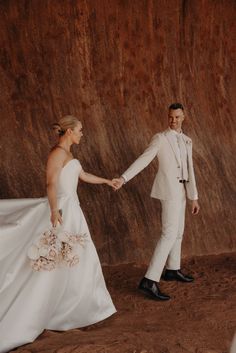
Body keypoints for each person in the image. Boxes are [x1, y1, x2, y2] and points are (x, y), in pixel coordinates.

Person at [0, 115, 116, 353]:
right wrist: (54, 211)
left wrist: (107, 181)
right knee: (55, 262)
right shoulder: (56, 153)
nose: (82, 134)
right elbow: (51, 184)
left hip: (73, 210)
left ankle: (78, 309)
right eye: (80, 130)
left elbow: (82, 176)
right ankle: (47, 312)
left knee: (79, 259)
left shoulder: (70, 155)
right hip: (62, 210)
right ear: (70, 132)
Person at [113, 103, 200, 301]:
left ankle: (172, 269)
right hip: (168, 192)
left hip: (181, 191)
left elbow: (190, 170)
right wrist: (124, 178)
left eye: (177, 117)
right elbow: (144, 159)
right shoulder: (160, 138)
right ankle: (149, 280)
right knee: (168, 234)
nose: (173, 120)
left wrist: (193, 197)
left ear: (184, 116)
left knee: (178, 233)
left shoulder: (187, 140)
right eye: (170, 117)